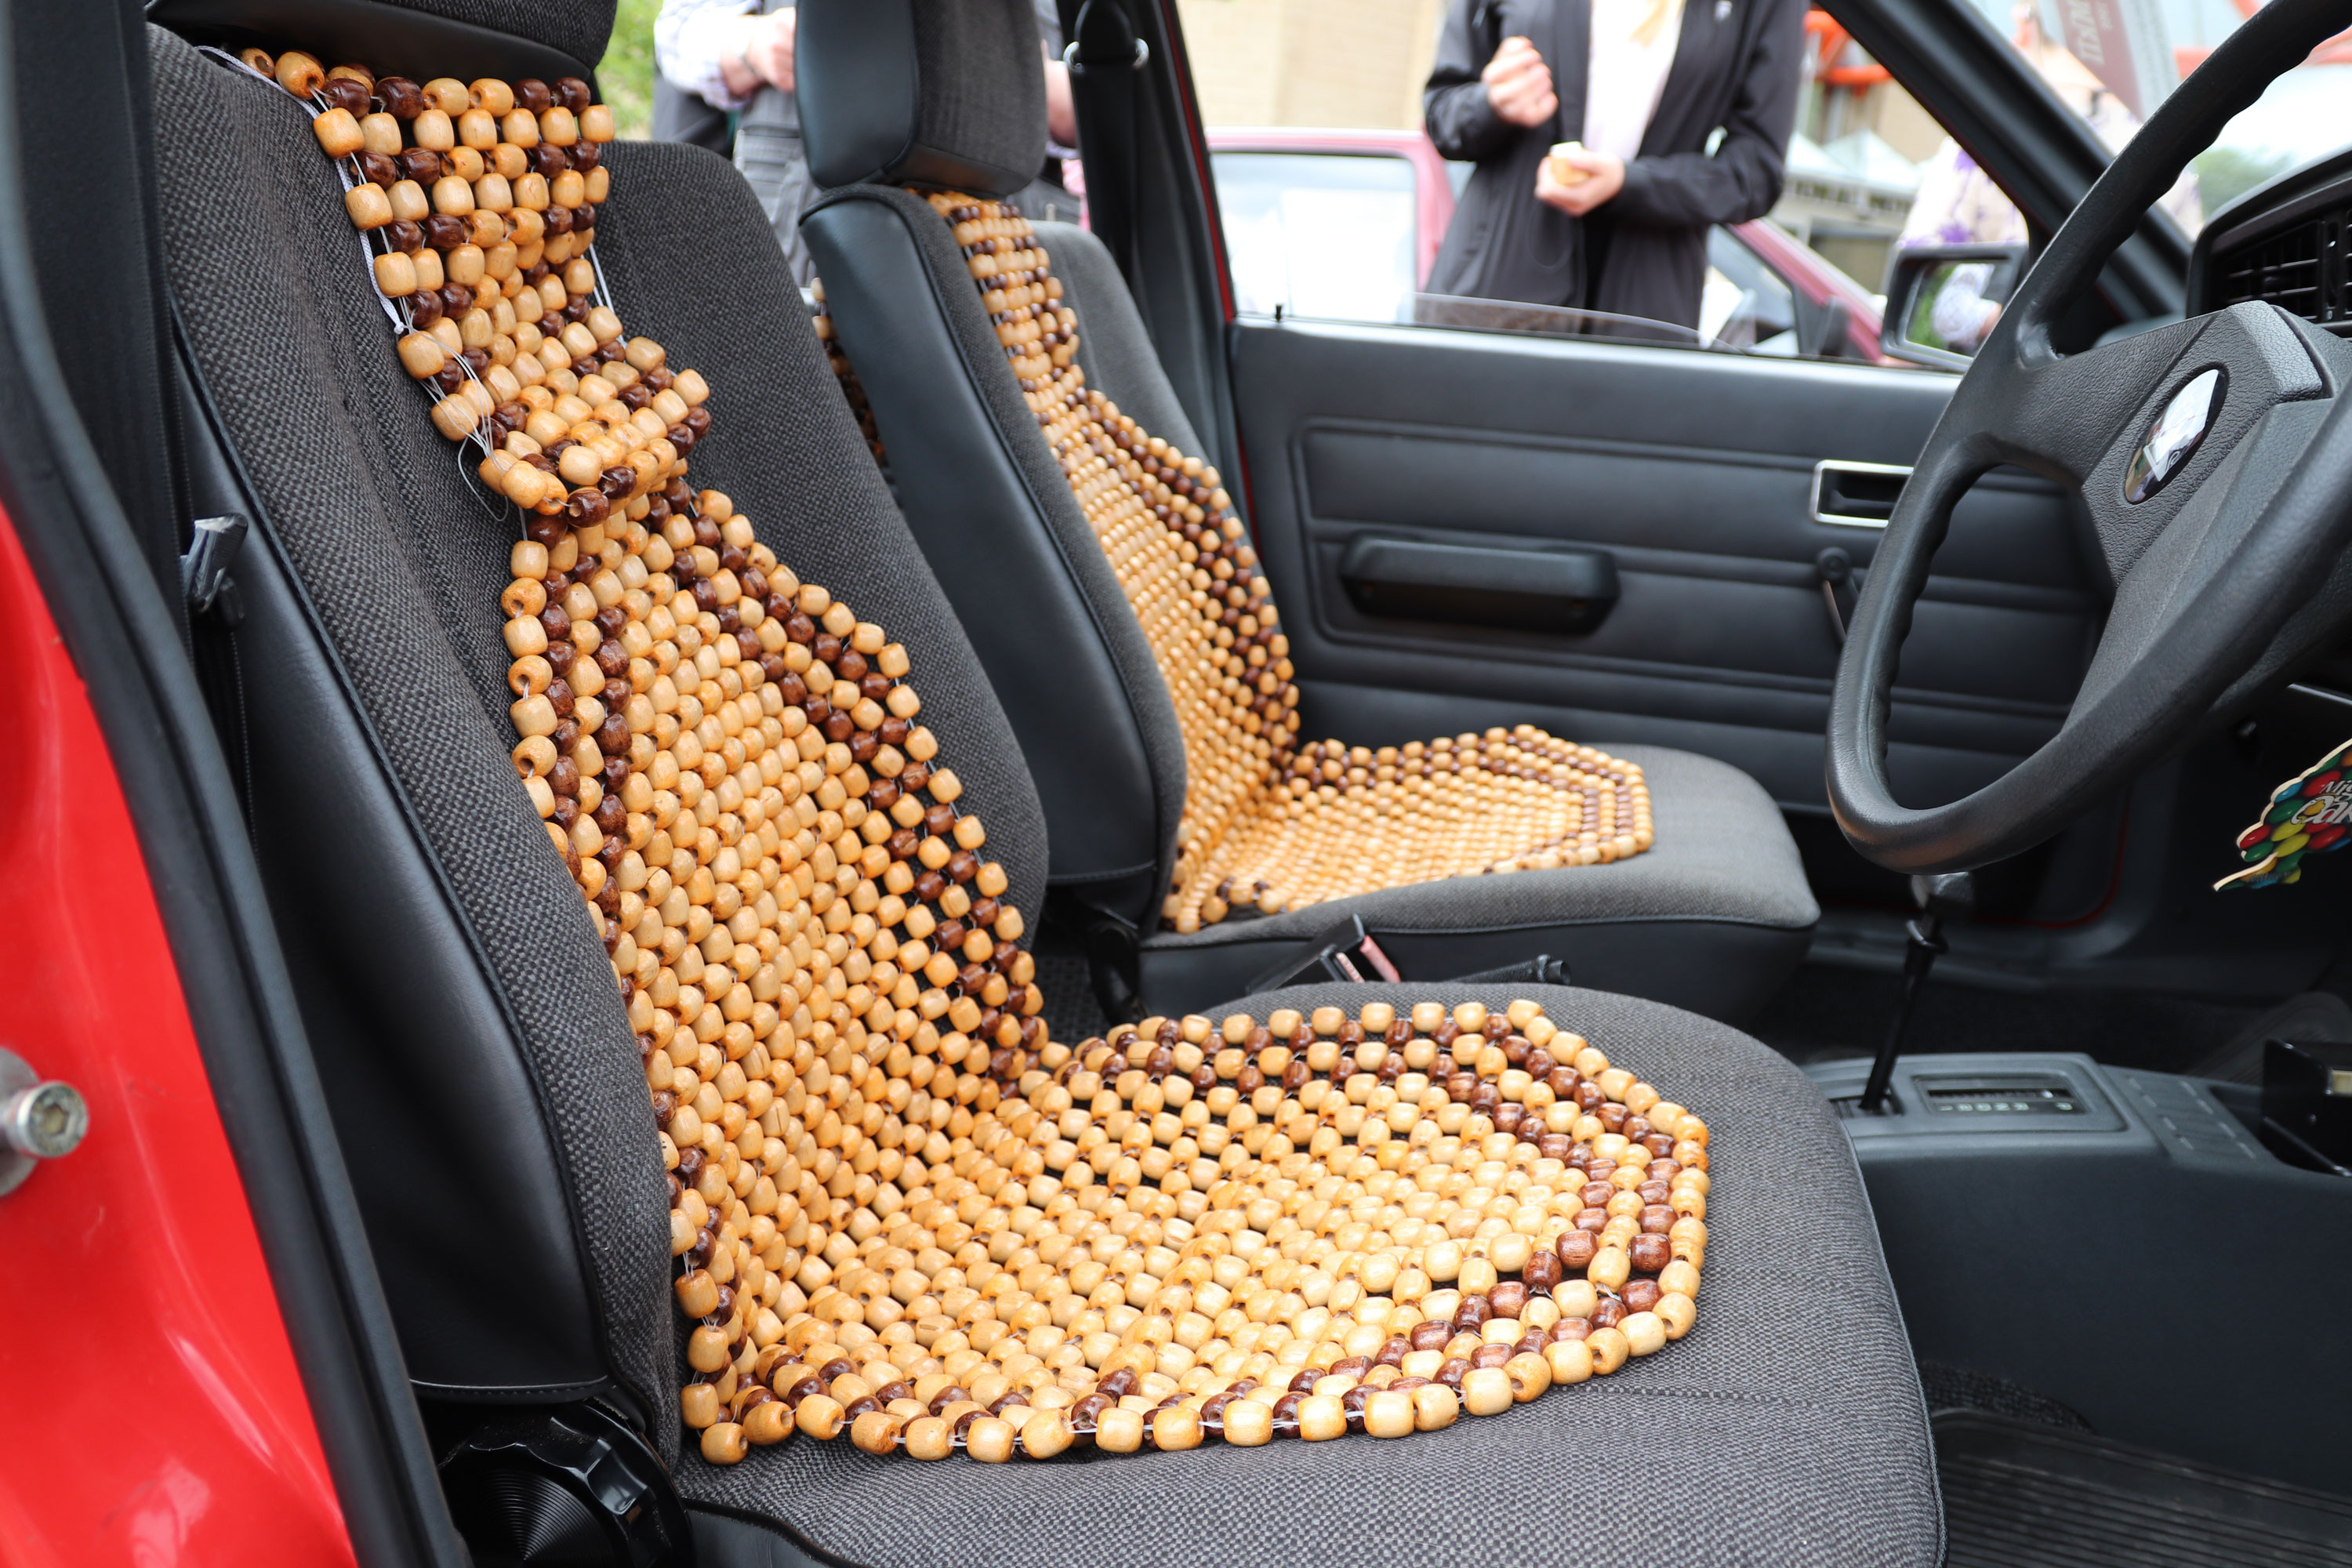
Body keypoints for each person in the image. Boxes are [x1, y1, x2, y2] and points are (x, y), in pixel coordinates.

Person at [1422, 0, 1807, 332]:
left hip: (1645, 315)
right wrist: (1491, 105)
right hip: (1496, 296)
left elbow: (1755, 172)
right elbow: (1443, 113)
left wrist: (1631, 184)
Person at [655, 1, 1082, 278]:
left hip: (1004, 241)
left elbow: (1115, 89)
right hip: (806, 217)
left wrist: (1030, 83)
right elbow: (678, 33)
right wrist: (751, 43)